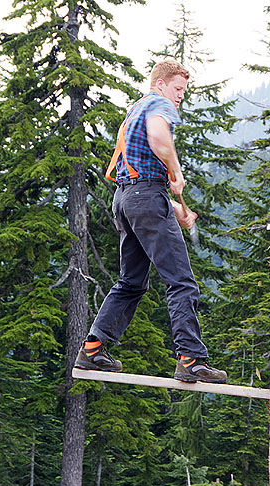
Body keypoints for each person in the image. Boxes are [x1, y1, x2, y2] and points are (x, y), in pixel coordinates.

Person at [74, 59, 227, 384]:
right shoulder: (158, 103)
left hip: (127, 199)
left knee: (131, 282)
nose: (180, 96)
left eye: (183, 91)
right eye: (177, 89)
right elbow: (159, 139)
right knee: (181, 280)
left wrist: (173, 206)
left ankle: (92, 349)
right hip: (144, 198)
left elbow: (140, 182)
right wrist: (176, 172)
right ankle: (190, 358)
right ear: (161, 84)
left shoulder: (135, 110)